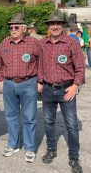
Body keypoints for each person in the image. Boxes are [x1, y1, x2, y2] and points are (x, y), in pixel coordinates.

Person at [37, 11, 85, 173]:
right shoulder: (43, 44)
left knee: (71, 125)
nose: (55, 26)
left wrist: (75, 85)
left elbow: (80, 67)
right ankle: (51, 149)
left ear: (63, 26)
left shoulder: (72, 43)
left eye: (58, 23)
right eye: (52, 24)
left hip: (67, 89)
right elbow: (39, 64)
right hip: (48, 89)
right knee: (49, 122)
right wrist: (40, 81)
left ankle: (74, 156)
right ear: (48, 27)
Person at [0, 13, 40, 162]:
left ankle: (29, 148)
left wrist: (39, 82)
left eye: (16, 27)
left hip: (28, 83)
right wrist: (1, 81)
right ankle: (12, 144)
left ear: (24, 28)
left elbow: (40, 62)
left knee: (29, 117)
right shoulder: (4, 43)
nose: (13, 29)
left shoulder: (33, 43)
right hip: (9, 84)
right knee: (11, 116)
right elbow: (0, 65)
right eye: (11, 27)